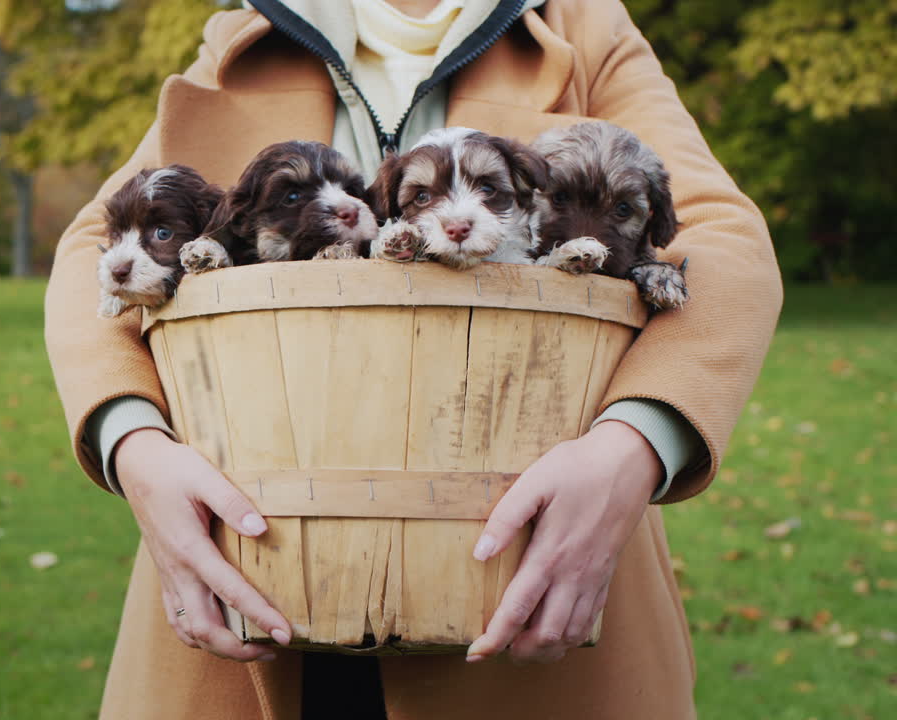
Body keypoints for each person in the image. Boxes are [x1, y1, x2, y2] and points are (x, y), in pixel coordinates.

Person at [44, 1, 782, 718]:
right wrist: (132, 442)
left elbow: (727, 240)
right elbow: (95, 245)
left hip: (532, 582)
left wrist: (635, 442)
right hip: (239, 563)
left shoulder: (580, 25)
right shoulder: (248, 32)